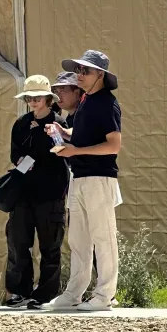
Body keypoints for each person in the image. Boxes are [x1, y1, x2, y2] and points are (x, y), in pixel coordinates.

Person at [45, 50, 122, 312]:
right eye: (78, 69)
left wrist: (75, 150)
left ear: (100, 74)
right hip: (80, 177)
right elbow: (82, 135)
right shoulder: (87, 101)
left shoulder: (107, 103)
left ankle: (105, 296)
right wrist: (62, 132)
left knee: (103, 237)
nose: (79, 74)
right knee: (78, 240)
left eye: (85, 70)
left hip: (99, 177)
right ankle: (74, 293)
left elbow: (114, 145)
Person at [3, 75, 69, 308]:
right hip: (23, 193)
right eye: (29, 97)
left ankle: (45, 295)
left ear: (48, 99)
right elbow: (15, 153)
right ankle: (18, 291)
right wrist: (21, 160)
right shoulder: (21, 123)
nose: (33, 101)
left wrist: (50, 135)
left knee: (50, 246)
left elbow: (62, 150)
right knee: (18, 243)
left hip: (51, 193)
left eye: (37, 97)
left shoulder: (58, 122)